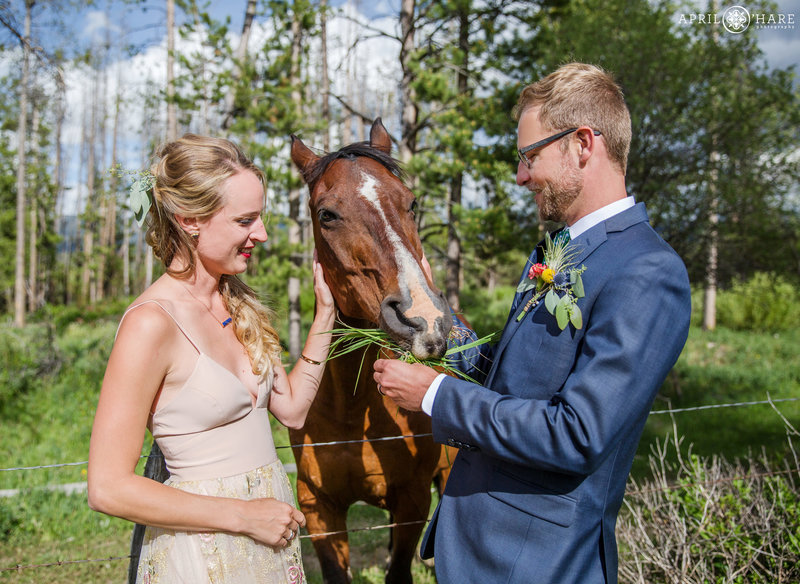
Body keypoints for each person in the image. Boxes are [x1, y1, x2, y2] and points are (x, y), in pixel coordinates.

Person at [372, 63, 692, 584]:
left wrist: (434, 396)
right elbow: (512, 377)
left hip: (539, 562)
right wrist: (437, 314)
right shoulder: (559, 249)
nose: (521, 176)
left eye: (530, 156)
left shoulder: (649, 272)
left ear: (583, 144)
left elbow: (577, 433)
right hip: (477, 546)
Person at [88, 134, 335, 584]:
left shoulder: (239, 304)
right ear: (190, 219)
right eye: (245, 220)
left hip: (270, 543)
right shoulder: (150, 324)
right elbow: (107, 488)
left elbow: (293, 409)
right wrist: (243, 516)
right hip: (201, 556)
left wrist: (325, 316)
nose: (260, 234)